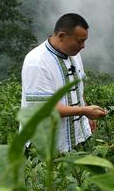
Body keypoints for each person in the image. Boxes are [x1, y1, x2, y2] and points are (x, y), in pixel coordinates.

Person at [21, 13, 106, 152]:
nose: (83, 46)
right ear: (61, 36)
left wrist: (87, 113)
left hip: (78, 137)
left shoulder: (74, 55)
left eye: (85, 41)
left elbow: (79, 88)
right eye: (79, 41)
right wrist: (84, 111)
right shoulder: (36, 63)